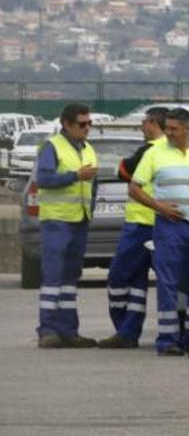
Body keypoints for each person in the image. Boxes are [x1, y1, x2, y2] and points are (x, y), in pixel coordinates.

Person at [130, 108, 189, 355]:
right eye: (167, 128)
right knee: (167, 283)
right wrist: (159, 206)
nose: (168, 133)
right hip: (168, 227)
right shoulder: (154, 153)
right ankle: (167, 340)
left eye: (174, 128)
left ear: (188, 129)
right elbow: (134, 188)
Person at [99, 106, 168, 349]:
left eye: (144, 122)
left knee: (120, 277)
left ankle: (125, 331)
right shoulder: (176, 151)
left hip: (142, 225)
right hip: (167, 225)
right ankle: (168, 333)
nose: (142, 127)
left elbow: (122, 171)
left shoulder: (150, 150)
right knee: (157, 281)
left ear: (153, 123)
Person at [35, 103, 99, 348]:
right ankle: (47, 330)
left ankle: (69, 330)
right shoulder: (53, 146)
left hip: (79, 219)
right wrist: (74, 176)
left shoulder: (88, 148)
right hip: (57, 220)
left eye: (89, 123)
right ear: (67, 125)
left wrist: (90, 207)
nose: (87, 128)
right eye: (82, 124)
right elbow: (44, 178)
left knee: (71, 276)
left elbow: (93, 183)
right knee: (53, 275)